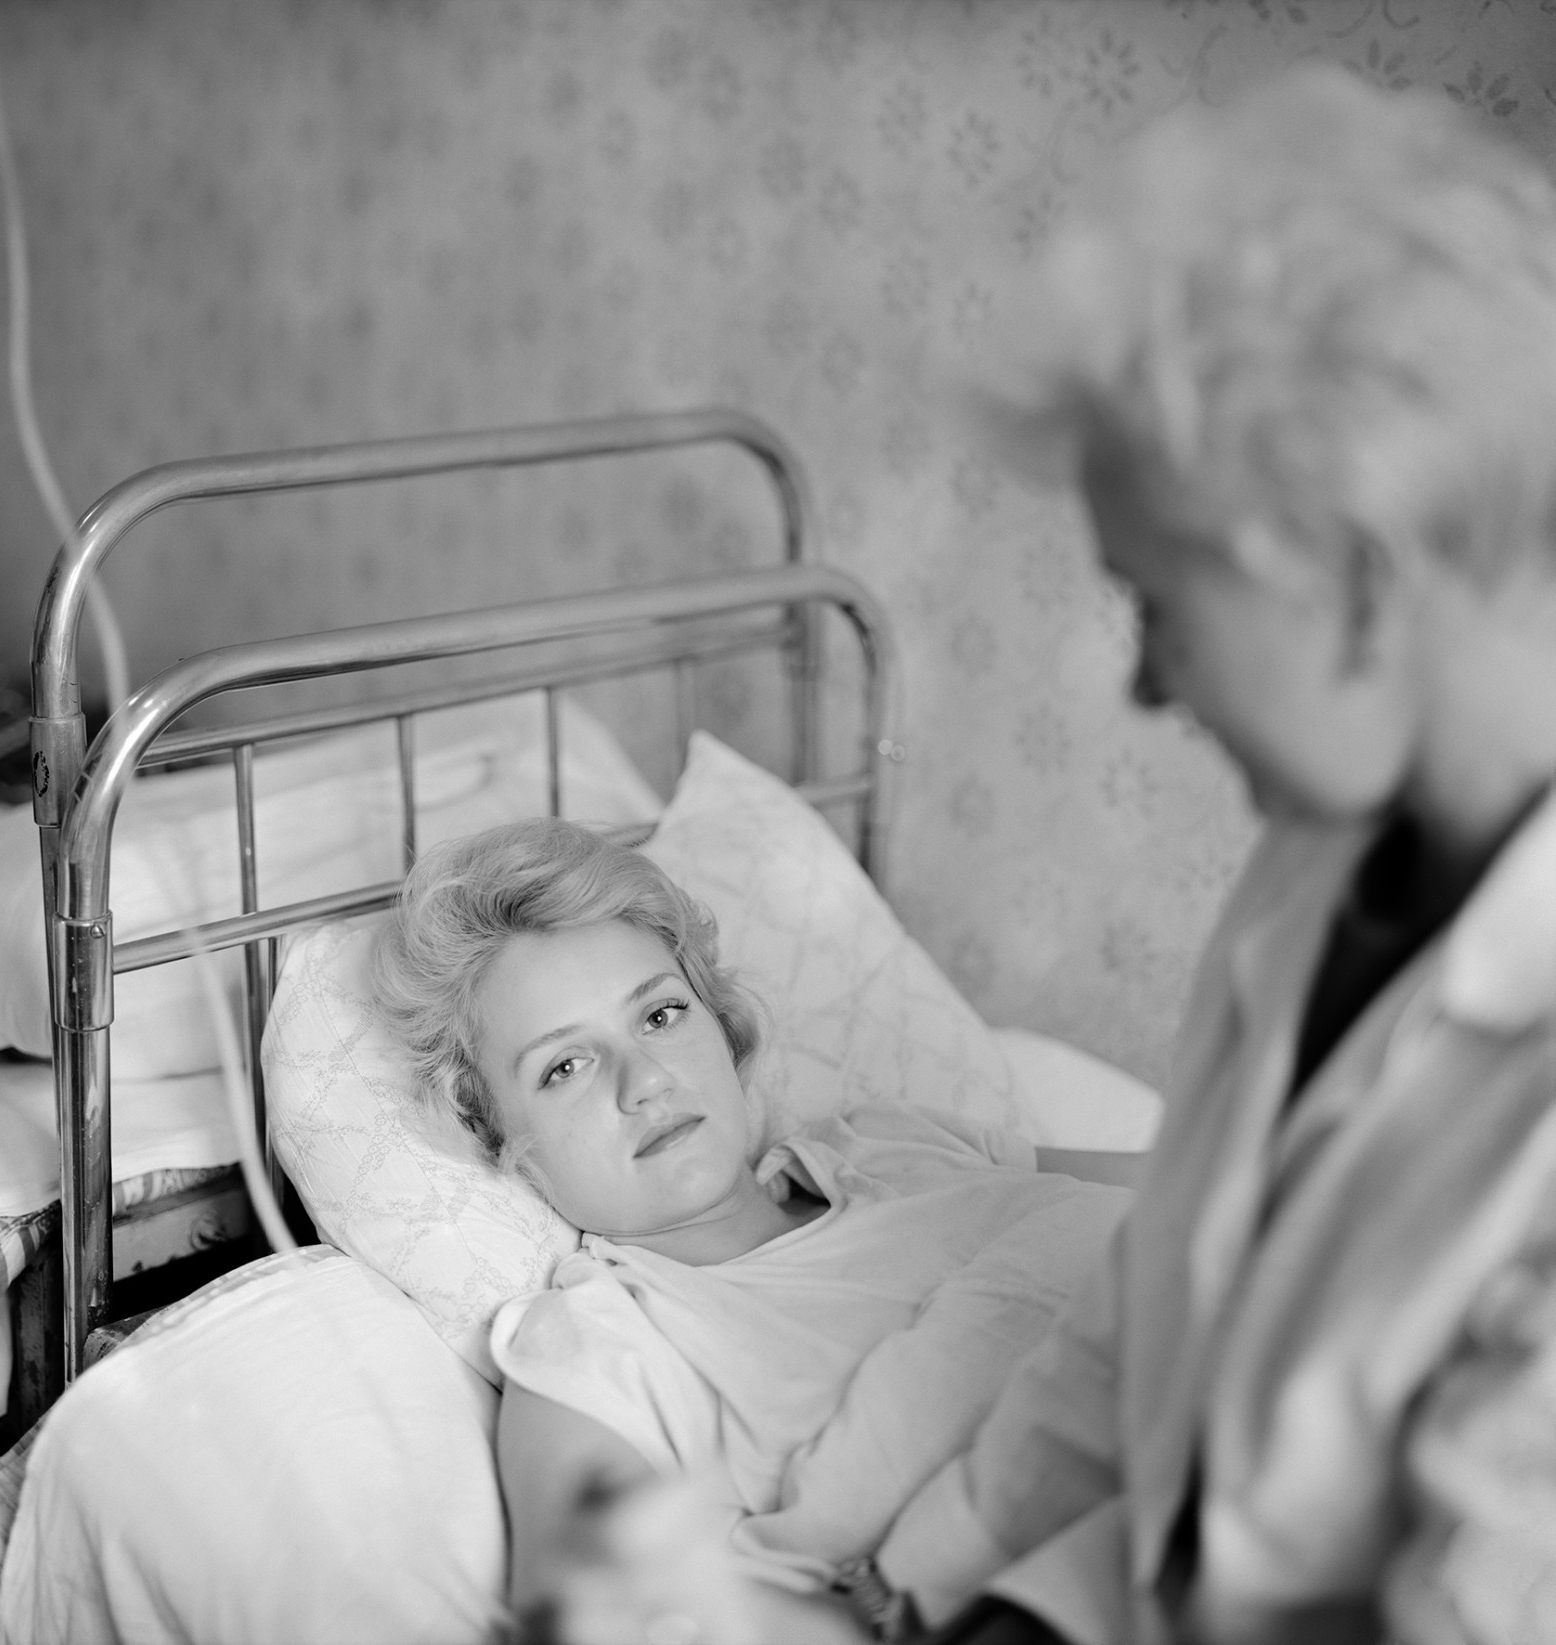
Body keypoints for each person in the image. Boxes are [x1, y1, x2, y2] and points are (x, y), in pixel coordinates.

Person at [859, 65, 1556, 1645]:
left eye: (1155, 601)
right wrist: (928, 1598)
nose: (1150, 686)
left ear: (1357, 580)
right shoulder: (1325, 867)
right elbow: (1154, 1313)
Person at [370, 817, 1132, 1641]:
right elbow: (593, 1611)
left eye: (660, 1015)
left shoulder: (895, 1143)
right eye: (565, 1066)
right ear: (504, 1147)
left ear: (722, 1026)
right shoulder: (599, 1346)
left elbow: (1221, 1198)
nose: (646, 1080)